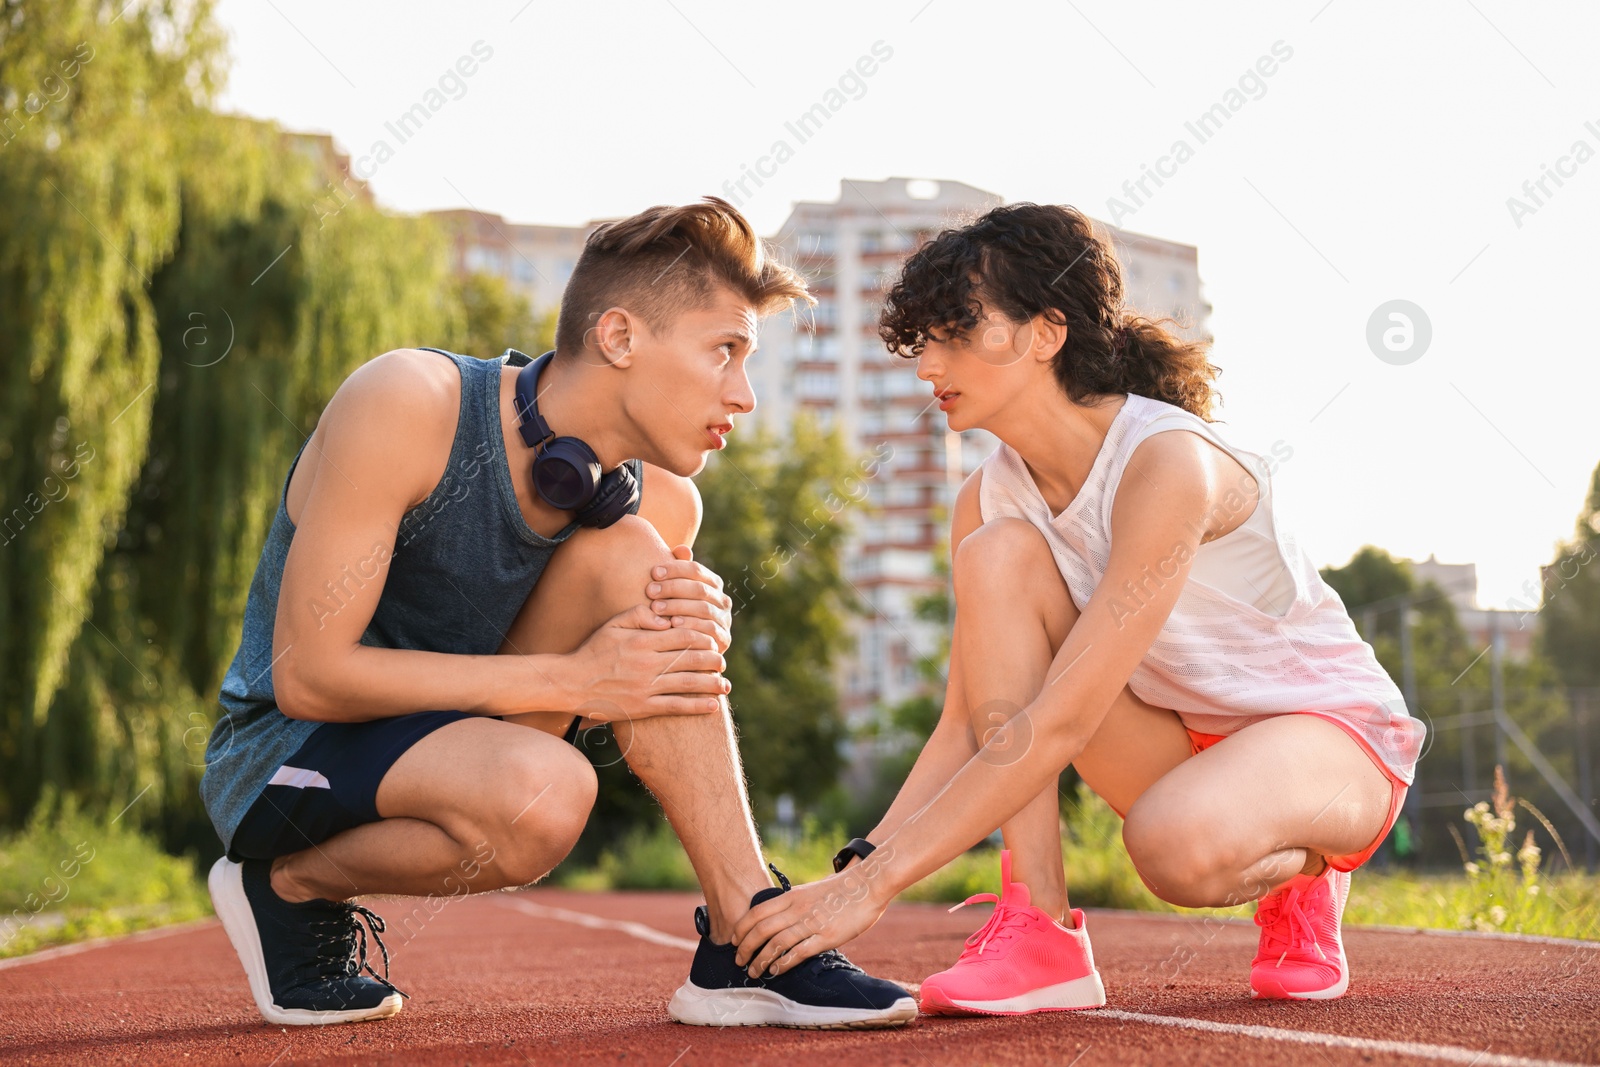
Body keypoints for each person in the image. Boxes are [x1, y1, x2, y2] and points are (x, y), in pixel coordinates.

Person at [200, 196, 915, 1029]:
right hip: (285, 753)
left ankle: (745, 934)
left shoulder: (660, 504)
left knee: (640, 564)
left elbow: (638, 689)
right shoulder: (410, 403)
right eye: (725, 351)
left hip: (466, 738)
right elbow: (308, 678)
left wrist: (687, 632)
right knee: (548, 793)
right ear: (618, 337)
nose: (745, 394)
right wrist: (576, 677)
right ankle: (283, 883)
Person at [731, 202, 1425, 1011]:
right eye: (926, 341)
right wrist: (854, 870)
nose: (928, 367)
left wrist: (879, 887)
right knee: (996, 552)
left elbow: (1059, 720)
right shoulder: (990, 498)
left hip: (1330, 737)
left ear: (1044, 333)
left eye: (956, 333)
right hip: (1177, 734)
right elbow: (971, 722)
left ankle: (1305, 877)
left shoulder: (1166, 462)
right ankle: (1042, 933)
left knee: (1172, 848)